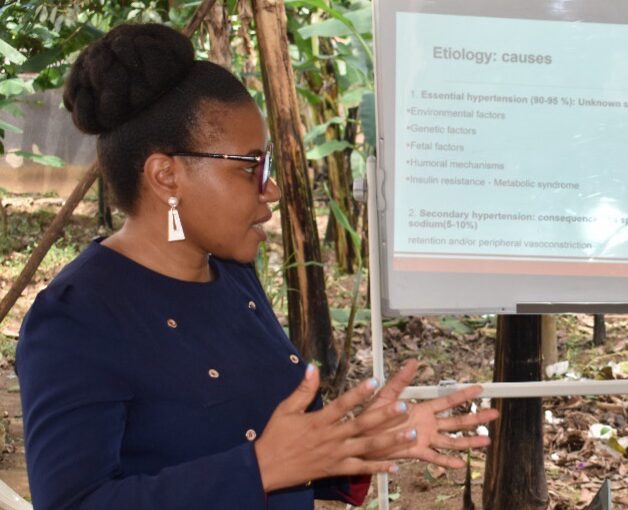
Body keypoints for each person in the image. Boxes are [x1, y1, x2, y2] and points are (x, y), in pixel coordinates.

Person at [15, 23, 497, 510]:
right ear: (167, 176)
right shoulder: (77, 317)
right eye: (250, 167)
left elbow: (277, 448)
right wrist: (261, 468)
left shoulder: (233, 278)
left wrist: (354, 443)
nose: (269, 189)